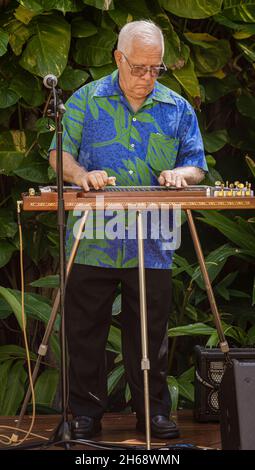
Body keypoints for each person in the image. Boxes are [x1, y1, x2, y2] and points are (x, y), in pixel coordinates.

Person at [49, 20, 207, 440]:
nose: (148, 77)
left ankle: (152, 414)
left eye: (156, 69)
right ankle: (83, 415)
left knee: (150, 334)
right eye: (139, 68)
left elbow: (197, 162)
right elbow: (58, 156)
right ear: (119, 58)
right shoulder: (86, 100)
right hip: (92, 240)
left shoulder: (176, 107)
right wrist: (81, 174)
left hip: (153, 239)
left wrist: (180, 174)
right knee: (85, 331)